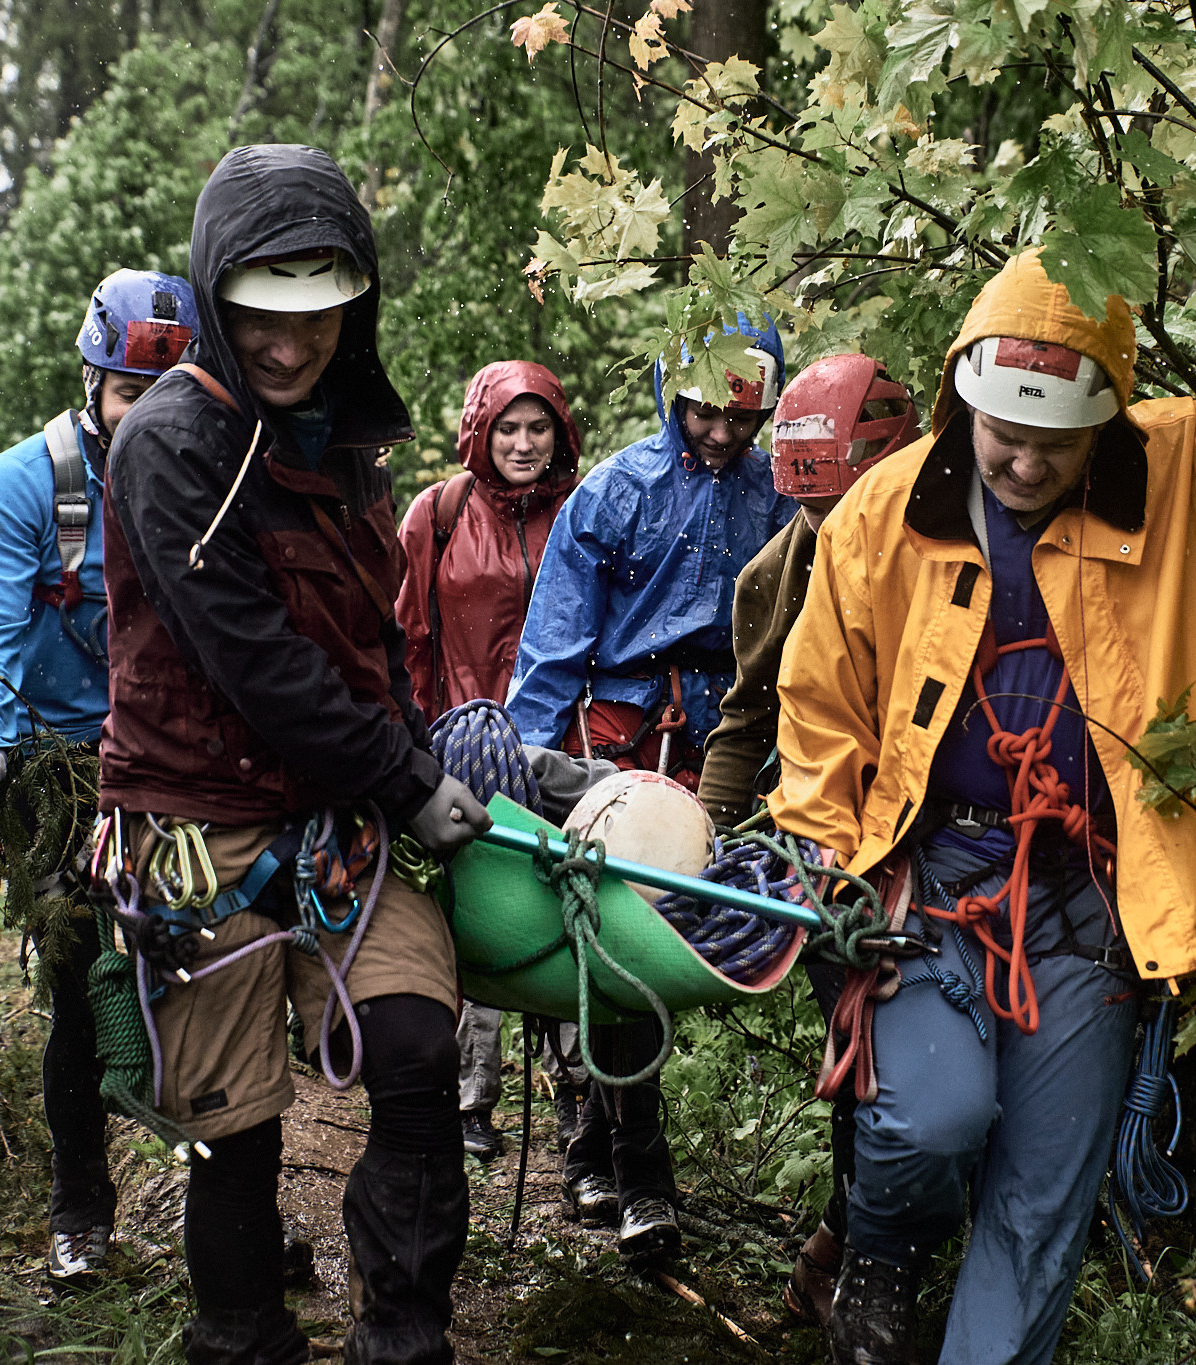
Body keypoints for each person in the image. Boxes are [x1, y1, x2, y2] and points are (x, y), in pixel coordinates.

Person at [769, 249, 1196, 1365]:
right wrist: (826, 865)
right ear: (963, 401)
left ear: (1105, 421)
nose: (1020, 462)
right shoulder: (885, 510)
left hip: (1092, 902)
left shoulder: (1189, 470)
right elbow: (823, 704)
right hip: (929, 882)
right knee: (928, 1116)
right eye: (1000, 434)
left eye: (1052, 443)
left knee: (1040, 1203)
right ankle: (881, 1247)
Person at [95, 144, 490, 1365]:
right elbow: (254, 663)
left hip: (340, 823)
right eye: (261, 315)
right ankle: (243, 1337)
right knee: (234, 1130)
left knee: (416, 1056)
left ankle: (402, 1336)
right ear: (217, 298)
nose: (288, 344)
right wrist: (410, 781)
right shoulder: (169, 445)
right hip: (199, 829)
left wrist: (419, 752)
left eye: (316, 315)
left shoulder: (344, 445)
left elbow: (375, 644)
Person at [505, 317, 796, 1263]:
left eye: (740, 420)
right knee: (617, 933)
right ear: (677, 393)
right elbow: (554, 646)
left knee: (670, 941)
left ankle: (597, 1139)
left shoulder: (776, 499)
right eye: (706, 413)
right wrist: (520, 767)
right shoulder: (615, 491)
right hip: (619, 736)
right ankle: (638, 1169)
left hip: (723, 742)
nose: (719, 433)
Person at [0, 267, 199, 1283]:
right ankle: (80, 1211)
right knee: (82, 975)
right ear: (92, 384)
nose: (150, 416)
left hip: (176, 754)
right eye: (133, 395)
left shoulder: (211, 477)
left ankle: (228, 1211)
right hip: (59, 761)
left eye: (168, 394)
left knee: (215, 971)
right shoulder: (25, 485)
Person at [693, 352, 920, 1324]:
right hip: (835, 858)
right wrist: (705, 841)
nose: (835, 527)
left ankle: (850, 1249)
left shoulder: (960, 553)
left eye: (847, 503)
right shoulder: (772, 579)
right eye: (815, 511)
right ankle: (850, 1261)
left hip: (953, 844)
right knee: (866, 1065)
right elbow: (745, 719)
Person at [392, 361, 584, 1162]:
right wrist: (412, 747)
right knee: (475, 911)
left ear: (560, 433)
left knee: (569, 907)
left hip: (560, 749)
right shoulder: (437, 515)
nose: (524, 443)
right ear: (481, 430)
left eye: (539, 427)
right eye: (508, 427)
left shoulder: (582, 511)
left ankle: (578, 1099)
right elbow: (404, 636)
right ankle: (471, 1097)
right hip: (461, 743)